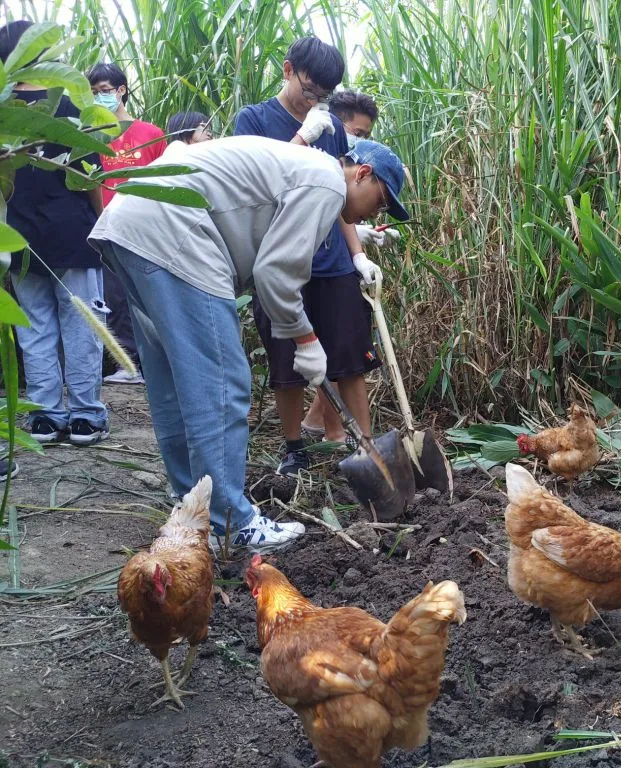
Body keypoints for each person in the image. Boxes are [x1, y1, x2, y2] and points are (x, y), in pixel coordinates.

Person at [88, 135, 410, 553]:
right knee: (223, 382)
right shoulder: (327, 183)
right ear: (362, 173)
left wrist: (356, 239)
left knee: (172, 378)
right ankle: (230, 522)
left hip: (134, 225)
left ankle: (191, 505)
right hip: (178, 237)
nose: (375, 210)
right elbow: (275, 274)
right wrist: (306, 340)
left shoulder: (309, 171)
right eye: (380, 201)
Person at [233, 38, 386, 478]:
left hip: (332, 260)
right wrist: (303, 137)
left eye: (325, 93)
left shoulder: (332, 127)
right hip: (279, 260)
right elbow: (257, 189)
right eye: (311, 88)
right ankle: (294, 448)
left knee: (350, 354)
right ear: (288, 70)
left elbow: (339, 195)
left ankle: (367, 447)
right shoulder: (255, 119)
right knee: (286, 362)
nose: (316, 100)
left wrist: (356, 252)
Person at [0, 21, 109, 448]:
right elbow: (92, 175)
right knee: (83, 324)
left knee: (36, 328)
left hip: (19, 239)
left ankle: (45, 416)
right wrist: (103, 227)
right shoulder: (73, 102)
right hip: (73, 233)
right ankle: (84, 417)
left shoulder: (4, 105)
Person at [300, 89, 399, 442]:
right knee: (333, 358)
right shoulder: (314, 160)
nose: (357, 141)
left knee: (348, 354)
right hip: (311, 269)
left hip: (338, 264)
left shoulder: (340, 176)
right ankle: (335, 436)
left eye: (365, 136)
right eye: (356, 133)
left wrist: (359, 248)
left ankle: (322, 426)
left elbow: (340, 215)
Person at [87, 62, 167, 385]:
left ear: (121, 91)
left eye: (105, 91)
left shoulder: (151, 134)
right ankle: (128, 363)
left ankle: (158, 361)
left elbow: (164, 178)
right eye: (93, 93)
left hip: (146, 228)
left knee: (151, 295)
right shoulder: (92, 136)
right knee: (116, 296)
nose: (99, 97)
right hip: (105, 226)